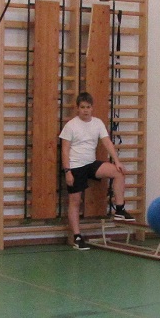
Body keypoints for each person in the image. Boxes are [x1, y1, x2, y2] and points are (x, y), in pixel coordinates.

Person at [59, 91, 134, 250]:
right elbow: (64, 150)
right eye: (82, 107)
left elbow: (107, 143)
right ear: (77, 108)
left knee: (118, 172)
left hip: (91, 163)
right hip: (76, 166)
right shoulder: (71, 125)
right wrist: (68, 171)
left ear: (92, 108)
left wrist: (117, 161)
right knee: (75, 201)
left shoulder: (98, 123)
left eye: (88, 107)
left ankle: (119, 209)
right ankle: (77, 237)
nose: (86, 110)